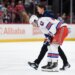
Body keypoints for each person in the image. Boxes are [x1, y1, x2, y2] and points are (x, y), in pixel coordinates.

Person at [28, 4, 70, 71]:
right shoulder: (40, 22)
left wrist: (50, 37)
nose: (33, 25)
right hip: (59, 29)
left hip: (60, 29)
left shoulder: (41, 20)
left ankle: (54, 65)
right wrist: (49, 38)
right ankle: (52, 63)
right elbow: (50, 29)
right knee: (50, 46)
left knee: (53, 46)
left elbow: (52, 28)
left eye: (32, 23)